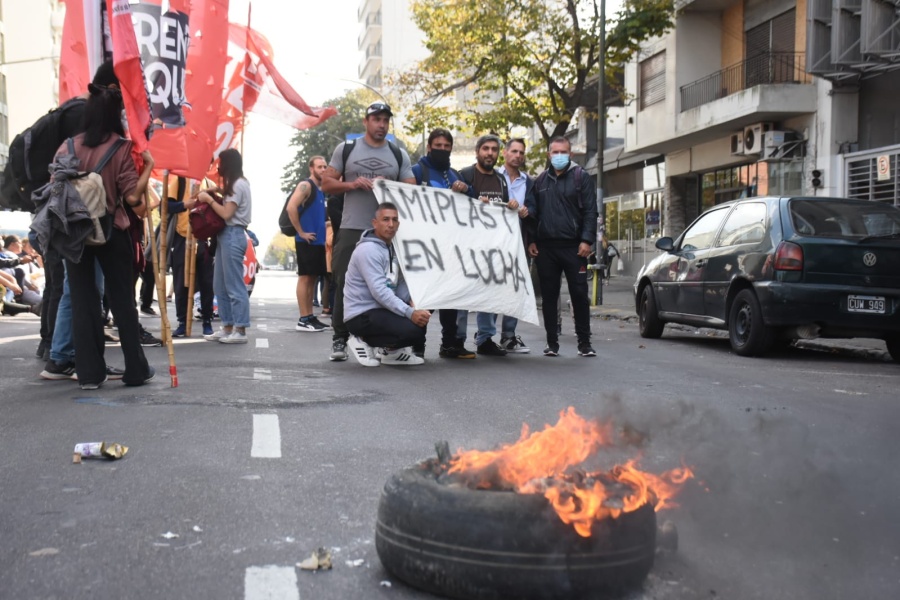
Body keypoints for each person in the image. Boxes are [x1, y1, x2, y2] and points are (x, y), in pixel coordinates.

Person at [60, 78, 156, 389]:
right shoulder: (120, 147)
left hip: (74, 231)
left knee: (83, 300)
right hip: (111, 231)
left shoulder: (68, 146)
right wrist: (148, 169)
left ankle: (89, 373)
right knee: (121, 300)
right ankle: (135, 370)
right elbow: (132, 199)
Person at [320, 102, 415, 361]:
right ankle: (340, 338)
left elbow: (412, 189)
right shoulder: (347, 149)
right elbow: (326, 184)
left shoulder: (398, 154)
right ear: (366, 122)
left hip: (389, 230)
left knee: (391, 283)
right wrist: (352, 184)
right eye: (376, 119)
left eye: (385, 120)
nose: (381, 125)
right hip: (353, 227)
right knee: (342, 282)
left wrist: (391, 186)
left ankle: (386, 342)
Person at [525, 136, 597, 358]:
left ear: (570, 154)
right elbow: (532, 214)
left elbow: (590, 212)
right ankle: (551, 343)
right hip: (546, 249)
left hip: (574, 248)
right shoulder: (539, 182)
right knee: (549, 296)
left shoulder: (581, 177)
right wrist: (532, 240)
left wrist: (587, 240)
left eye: (563, 152)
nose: (558, 156)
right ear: (549, 155)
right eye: (554, 152)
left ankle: (584, 343)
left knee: (579, 294)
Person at [411, 127, 476, 359]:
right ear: (429, 147)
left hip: (451, 247)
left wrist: (466, 189)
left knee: (451, 298)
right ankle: (417, 345)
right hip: (426, 248)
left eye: (446, 147)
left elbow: (474, 202)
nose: (442, 150)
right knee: (425, 298)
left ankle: (450, 344)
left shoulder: (455, 174)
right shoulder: (417, 171)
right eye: (438, 146)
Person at [456, 134, 521, 357]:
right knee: (462, 295)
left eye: (494, 149)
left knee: (490, 295)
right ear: (477, 151)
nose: (490, 153)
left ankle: (485, 339)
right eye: (486, 148)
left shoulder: (501, 180)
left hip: (492, 247)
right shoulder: (465, 175)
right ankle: (457, 340)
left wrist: (511, 206)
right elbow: (455, 207)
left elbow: (501, 212)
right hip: (466, 246)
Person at [344, 202, 428, 367]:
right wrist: (410, 312)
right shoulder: (368, 250)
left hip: (381, 310)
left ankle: (391, 353)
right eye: (385, 219)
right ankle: (361, 339)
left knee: (421, 323)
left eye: (394, 220)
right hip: (361, 313)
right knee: (413, 328)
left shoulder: (395, 248)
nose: (390, 224)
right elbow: (379, 291)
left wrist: (414, 301)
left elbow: (400, 283)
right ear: (375, 223)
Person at [200, 148, 252, 344]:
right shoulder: (237, 183)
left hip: (233, 233)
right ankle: (227, 325)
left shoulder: (238, 185)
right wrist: (218, 191)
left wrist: (209, 199)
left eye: (220, 162)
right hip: (226, 235)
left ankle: (240, 329)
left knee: (233, 284)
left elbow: (225, 213)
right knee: (219, 285)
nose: (217, 166)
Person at [496, 137, 533, 354]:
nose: (518, 156)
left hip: (518, 242)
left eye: (521, 152)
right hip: (493, 243)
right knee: (490, 287)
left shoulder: (529, 182)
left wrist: (528, 211)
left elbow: (535, 209)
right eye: (514, 151)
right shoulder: (493, 177)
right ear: (505, 153)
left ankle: (508, 336)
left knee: (514, 289)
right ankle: (484, 336)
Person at [167, 177, 215, 338]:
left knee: (207, 283)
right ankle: (182, 322)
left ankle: (207, 320)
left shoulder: (209, 184)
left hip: (203, 238)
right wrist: (183, 205)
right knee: (181, 282)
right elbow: (165, 206)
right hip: (182, 238)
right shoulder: (179, 182)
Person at [288, 156, 331, 332]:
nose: (323, 169)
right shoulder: (305, 186)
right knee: (305, 278)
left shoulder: (321, 190)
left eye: (325, 167)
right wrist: (301, 232)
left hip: (318, 241)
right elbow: (291, 207)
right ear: (311, 168)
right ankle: (303, 319)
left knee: (312, 279)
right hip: (307, 240)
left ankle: (310, 317)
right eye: (319, 167)